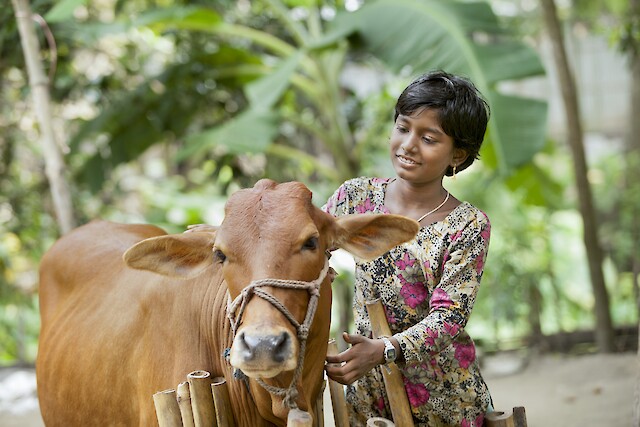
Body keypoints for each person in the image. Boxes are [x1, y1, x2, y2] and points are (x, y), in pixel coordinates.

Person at [323, 70, 492, 427]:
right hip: (369, 393)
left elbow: (449, 317)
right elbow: (300, 242)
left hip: (442, 399)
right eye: (403, 128)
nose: (408, 145)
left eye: (428, 138)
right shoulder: (355, 198)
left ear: (457, 155)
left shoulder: (468, 225)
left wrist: (384, 350)